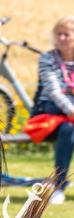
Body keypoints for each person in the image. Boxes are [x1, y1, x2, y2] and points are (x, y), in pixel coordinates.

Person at [30, 15, 74, 205]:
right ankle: (58, 187)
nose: (62, 38)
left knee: (69, 130)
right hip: (52, 111)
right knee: (65, 124)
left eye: (67, 34)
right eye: (59, 34)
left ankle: (59, 185)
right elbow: (54, 92)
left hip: (70, 120)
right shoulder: (47, 58)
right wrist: (72, 112)